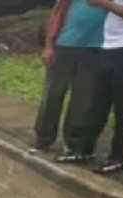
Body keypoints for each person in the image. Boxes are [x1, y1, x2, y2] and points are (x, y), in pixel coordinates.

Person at [39, 0, 107, 159]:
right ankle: (44, 136)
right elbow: (56, 16)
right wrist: (49, 46)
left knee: (83, 98)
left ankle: (74, 142)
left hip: (96, 51)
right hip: (65, 46)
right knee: (53, 94)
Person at [81, 0, 123, 174]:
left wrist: (105, 4)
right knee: (98, 103)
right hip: (109, 47)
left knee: (122, 107)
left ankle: (118, 156)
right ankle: (85, 149)